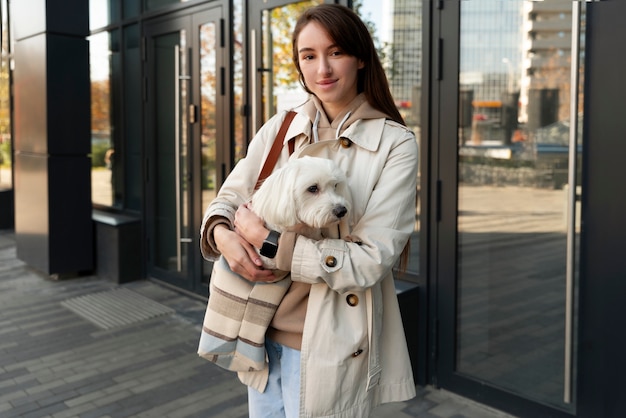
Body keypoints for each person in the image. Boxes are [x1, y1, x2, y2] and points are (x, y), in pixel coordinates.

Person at [200, 4, 417, 417]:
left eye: (335, 52)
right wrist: (225, 237)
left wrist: (270, 243)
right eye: (309, 56)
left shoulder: (396, 144)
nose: (323, 69)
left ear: (360, 57)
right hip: (258, 335)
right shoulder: (282, 127)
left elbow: (371, 259)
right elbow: (226, 200)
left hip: (329, 342)